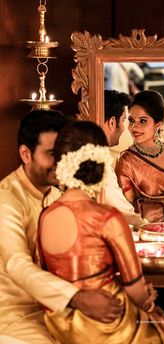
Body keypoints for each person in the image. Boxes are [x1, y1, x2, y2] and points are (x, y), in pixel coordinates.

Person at [38, 119, 164, 344]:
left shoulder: (45, 215)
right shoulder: (107, 218)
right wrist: (148, 302)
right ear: (100, 166)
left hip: (61, 324)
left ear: (60, 163)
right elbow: (136, 291)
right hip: (108, 325)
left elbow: (44, 277)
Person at [0, 110, 122, 344]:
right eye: (52, 154)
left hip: (56, 311)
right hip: (13, 316)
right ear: (26, 154)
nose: (62, 163)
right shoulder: (6, 199)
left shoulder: (58, 197)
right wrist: (78, 298)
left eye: (64, 154)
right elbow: (18, 264)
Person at [115, 90, 164, 223]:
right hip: (147, 229)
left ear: (158, 125)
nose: (134, 127)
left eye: (143, 121)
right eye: (131, 120)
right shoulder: (126, 160)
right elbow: (127, 209)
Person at [103, 89, 145, 227]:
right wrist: (149, 228)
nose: (126, 128)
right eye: (125, 120)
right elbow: (122, 212)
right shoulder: (98, 160)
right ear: (112, 123)